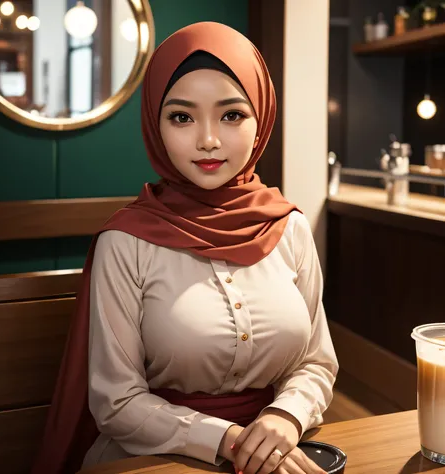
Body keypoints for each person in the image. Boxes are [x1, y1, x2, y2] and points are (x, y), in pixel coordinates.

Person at [31, 21, 338, 474]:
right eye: (181, 117)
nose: (208, 139)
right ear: (155, 126)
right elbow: (115, 402)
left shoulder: (289, 226)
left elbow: (316, 363)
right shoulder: (126, 240)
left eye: (232, 114)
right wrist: (228, 440)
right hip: (153, 459)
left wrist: (286, 415)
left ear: (261, 122)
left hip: (278, 457)